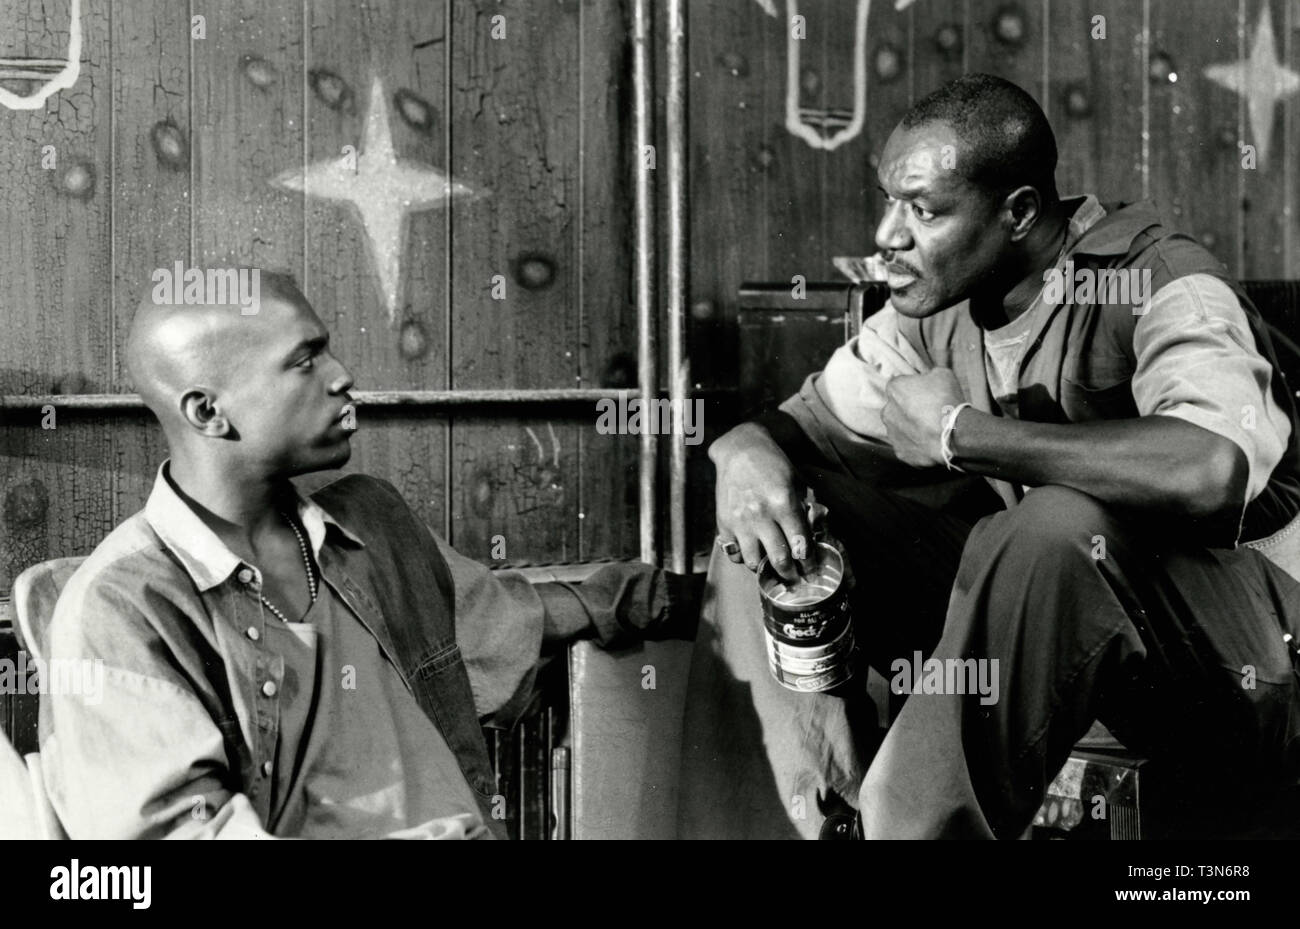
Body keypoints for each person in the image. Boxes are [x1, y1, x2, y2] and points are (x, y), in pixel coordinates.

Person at [678, 73, 1300, 839]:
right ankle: (801, 821)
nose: (887, 236)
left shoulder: (1164, 282)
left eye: (924, 211)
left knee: (1054, 524)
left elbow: (1210, 468)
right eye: (889, 201)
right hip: (1064, 643)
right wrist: (739, 449)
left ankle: (906, 832)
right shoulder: (936, 310)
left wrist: (960, 433)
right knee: (772, 519)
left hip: (1246, 662)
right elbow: (797, 429)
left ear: (1019, 213)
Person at [39, 270, 698, 839]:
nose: (342, 375)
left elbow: (514, 621)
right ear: (209, 411)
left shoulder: (370, 525)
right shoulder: (121, 607)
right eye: (306, 360)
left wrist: (698, 597)